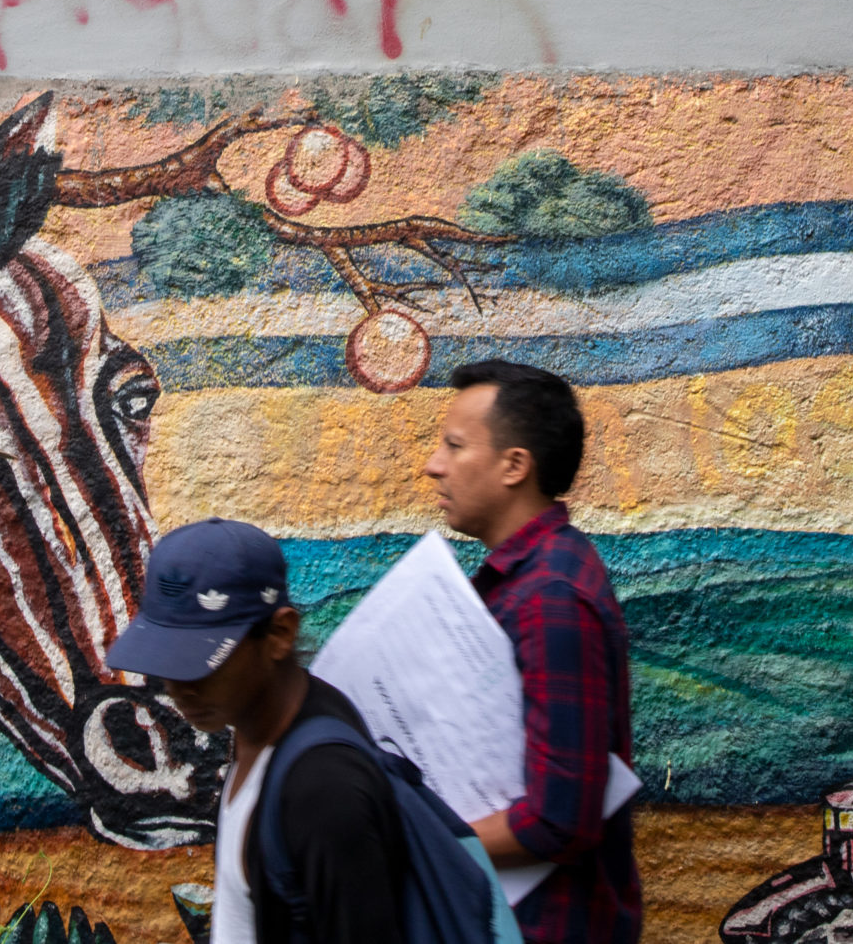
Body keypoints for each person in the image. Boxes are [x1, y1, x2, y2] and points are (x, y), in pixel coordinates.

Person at [106, 518, 410, 944]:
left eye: (200, 661)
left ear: (280, 634)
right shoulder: (254, 724)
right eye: (166, 661)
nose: (178, 687)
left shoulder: (323, 790)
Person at [424, 361, 641, 944]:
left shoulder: (551, 598)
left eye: (454, 445)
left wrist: (419, 843)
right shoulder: (523, 580)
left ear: (515, 465)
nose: (433, 464)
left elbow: (558, 821)